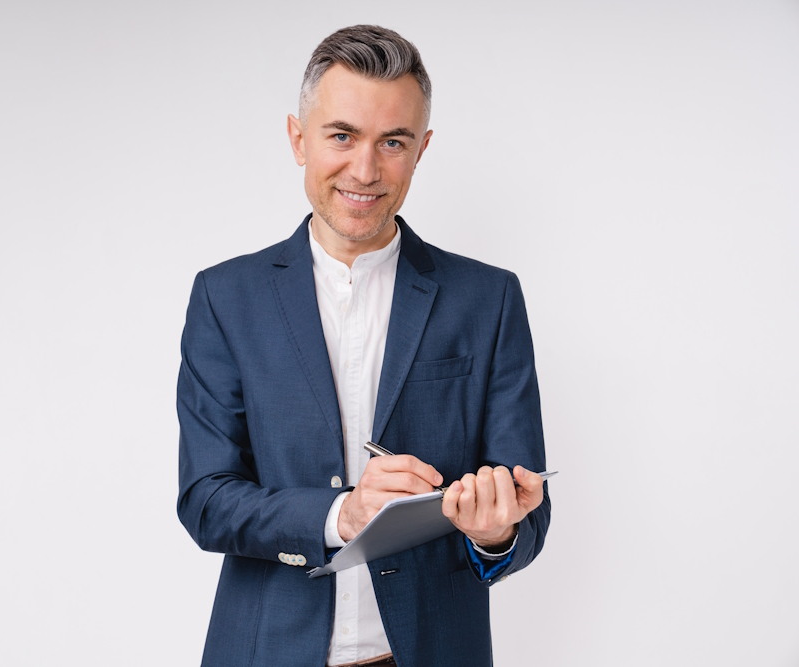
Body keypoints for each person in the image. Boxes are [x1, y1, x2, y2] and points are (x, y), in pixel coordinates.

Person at [177, 25, 550, 667]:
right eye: (342, 135)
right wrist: (340, 515)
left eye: (393, 142)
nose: (366, 169)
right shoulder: (224, 297)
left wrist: (498, 532)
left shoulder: (488, 300)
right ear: (299, 138)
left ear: (421, 150)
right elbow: (205, 499)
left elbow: (529, 507)